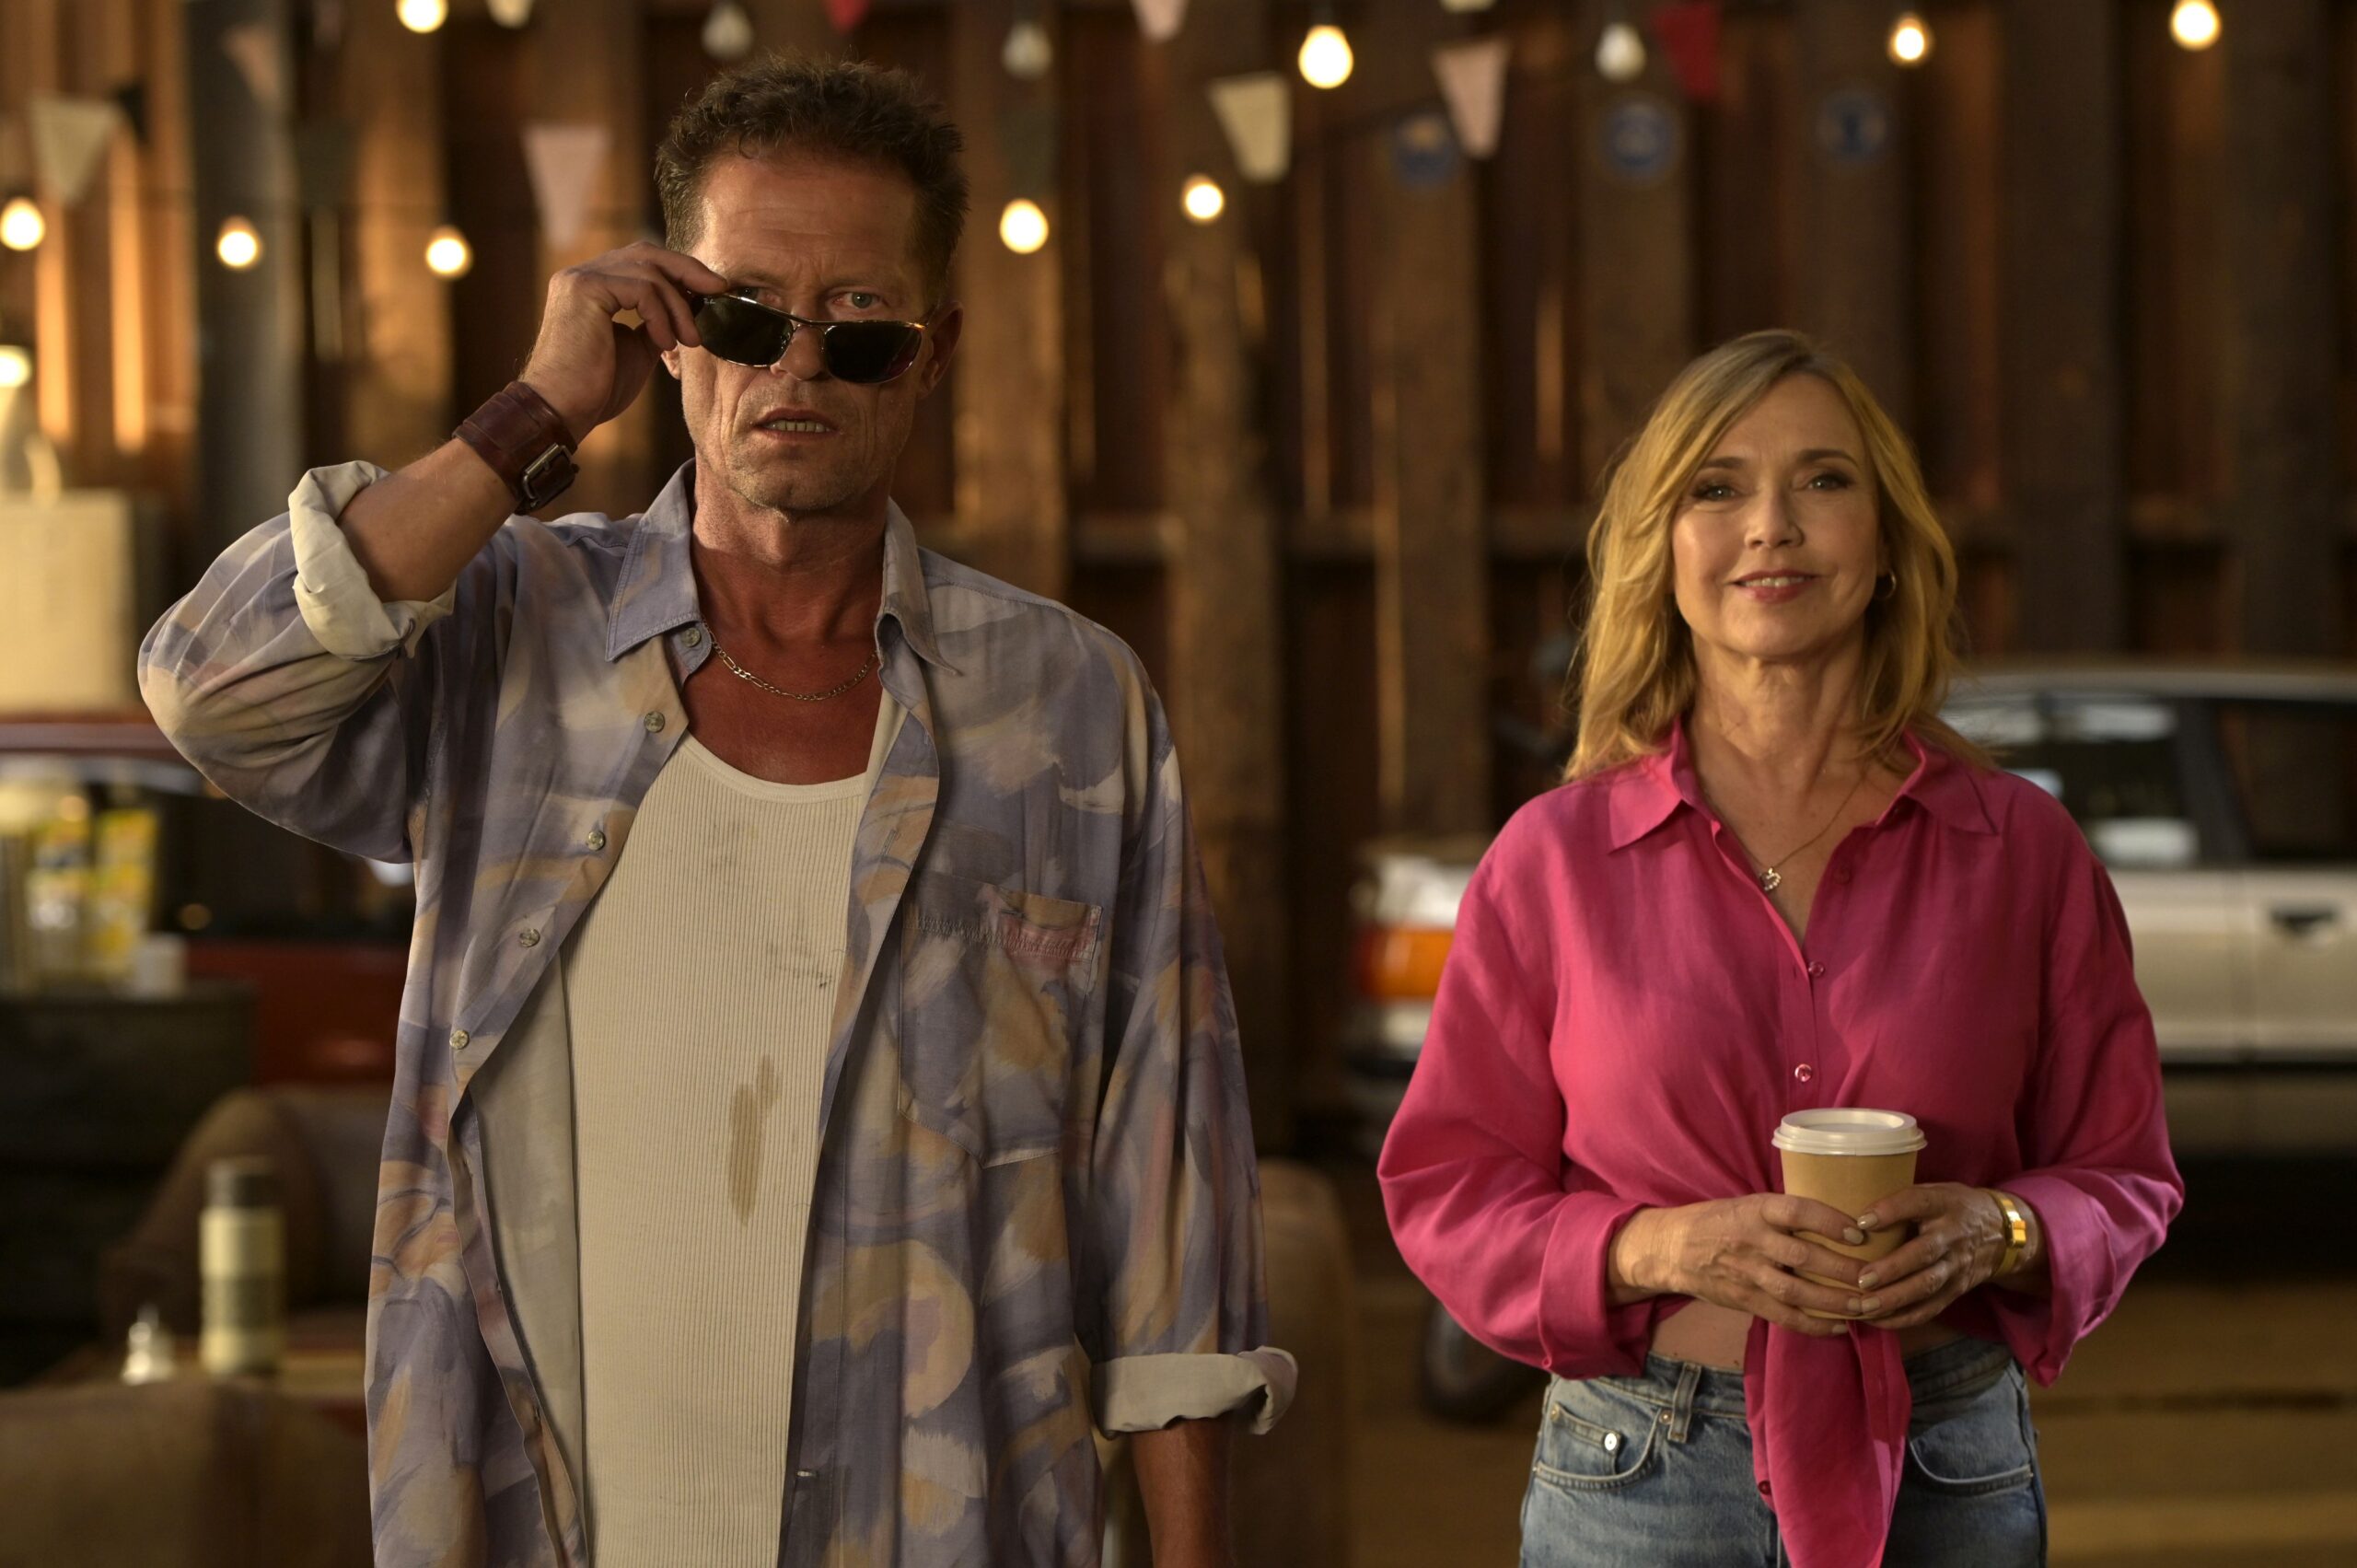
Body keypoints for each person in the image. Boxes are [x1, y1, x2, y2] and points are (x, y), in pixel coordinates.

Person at [140, 55, 1290, 1568]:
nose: (797, 369)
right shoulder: (505, 636)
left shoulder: (1069, 709)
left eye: (859, 329)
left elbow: (1170, 1201)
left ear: (933, 356)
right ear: (669, 333)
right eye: (744, 316)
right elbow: (213, 692)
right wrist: (535, 411)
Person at [1377, 330, 2181, 1568]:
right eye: (1718, 487)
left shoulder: (2022, 851)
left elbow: (2126, 1175)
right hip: (1635, 1481)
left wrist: (2005, 1231)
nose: (1770, 527)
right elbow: (1450, 1192)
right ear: (1665, 550)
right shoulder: (1552, 862)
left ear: (1887, 542)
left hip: (1949, 1471)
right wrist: (1659, 1245)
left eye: (1823, 479)